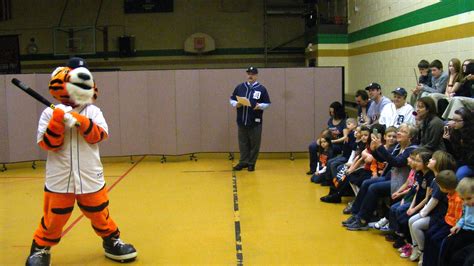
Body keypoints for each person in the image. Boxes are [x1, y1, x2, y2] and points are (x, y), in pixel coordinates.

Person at [26, 58, 137, 266]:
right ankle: (40, 249)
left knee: (99, 213)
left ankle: (111, 241)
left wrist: (79, 121)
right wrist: (58, 121)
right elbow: (49, 144)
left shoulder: (93, 111)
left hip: (89, 174)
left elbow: (99, 135)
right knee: (54, 217)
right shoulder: (50, 112)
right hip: (60, 177)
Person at [230, 66, 271, 172]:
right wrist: (236, 104)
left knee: (254, 143)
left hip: (255, 121)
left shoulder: (262, 89)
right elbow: (232, 99)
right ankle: (243, 162)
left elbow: (267, 103)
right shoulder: (240, 87)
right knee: (243, 143)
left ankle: (251, 163)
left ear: (256, 75)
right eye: (248, 73)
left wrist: (260, 106)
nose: (250, 75)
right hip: (241, 121)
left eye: (252, 74)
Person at [422, 170, 463, 266]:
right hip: (446, 220)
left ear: (445, 188)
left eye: (439, 186)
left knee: (436, 240)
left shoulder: (458, 199)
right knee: (429, 234)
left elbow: (457, 218)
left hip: (451, 225)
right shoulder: (450, 193)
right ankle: (426, 262)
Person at [439, 177, 474, 266]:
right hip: (464, 229)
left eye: (469, 198)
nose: (465, 202)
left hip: (471, 234)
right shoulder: (466, 204)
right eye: (462, 199)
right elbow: (463, 216)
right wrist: (458, 225)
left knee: (459, 258)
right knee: (446, 244)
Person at [307, 101, 346, 175]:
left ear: (338, 111)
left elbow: (345, 137)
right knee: (312, 146)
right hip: (328, 141)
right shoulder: (331, 120)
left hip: (338, 144)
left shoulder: (344, 122)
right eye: (330, 112)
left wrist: (333, 142)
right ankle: (314, 169)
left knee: (328, 148)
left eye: (333, 112)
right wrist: (321, 139)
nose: (331, 114)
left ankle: (326, 170)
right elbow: (327, 132)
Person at [443, 107, 474, 180]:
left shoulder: (471, 134)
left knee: (460, 173)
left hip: (471, 164)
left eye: (457, 120)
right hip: (461, 160)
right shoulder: (456, 132)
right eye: (453, 119)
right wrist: (447, 141)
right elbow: (454, 155)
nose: (453, 122)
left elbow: (469, 158)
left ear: (466, 121)